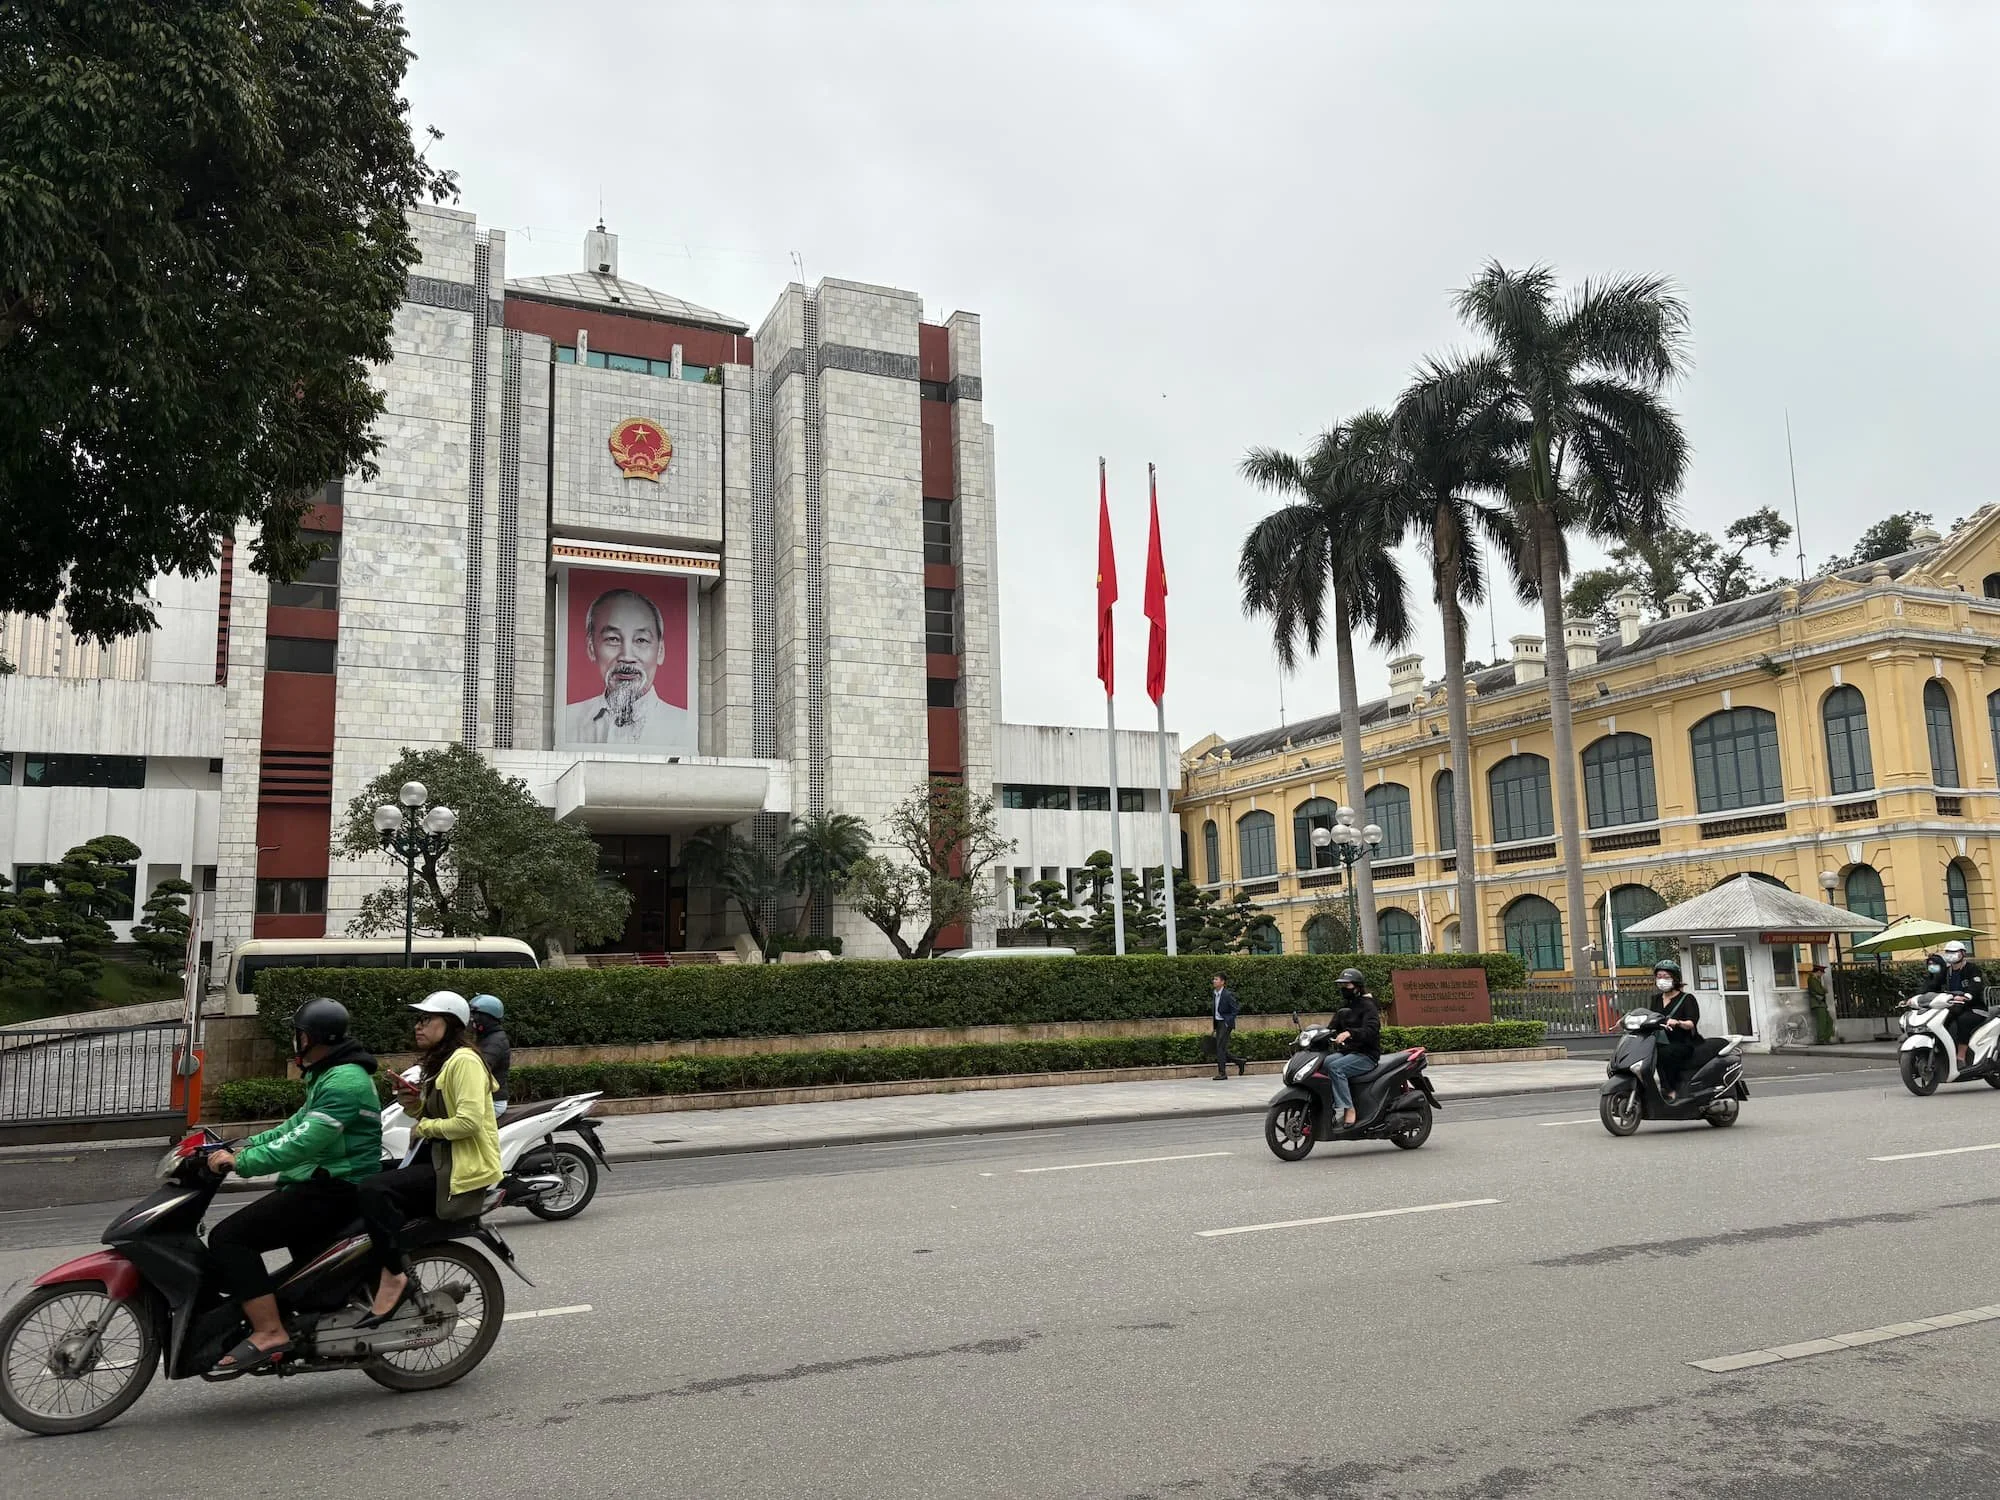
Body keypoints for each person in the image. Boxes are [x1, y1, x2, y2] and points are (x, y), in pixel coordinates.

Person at [205, 998, 381, 1371]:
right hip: (318, 1182)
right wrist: (242, 1144)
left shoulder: (345, 1082)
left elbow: (304, 1142)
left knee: (229, 1238)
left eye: (298, 1033)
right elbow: (293, 1127)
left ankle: (270, 1331)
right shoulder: (329, 1074)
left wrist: (243, 1163)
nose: (295, 1040)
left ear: (313, 1038)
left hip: (336, 1188)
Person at [355, 991, 502, 1327]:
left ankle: (395, 1274)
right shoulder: (444, 1061)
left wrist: (424, 1127)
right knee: (362, 1178)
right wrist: (413, 1105)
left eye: (426, 1020)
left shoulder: (464, 1061)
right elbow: (435, 1113)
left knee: (373, 1190)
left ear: (449, 1025)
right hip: (439, 1157)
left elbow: (469, 1122)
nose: (418, 1027)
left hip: (458, 1167)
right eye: (417, 1020)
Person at [562, 586, 690, 747]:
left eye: (641, 640)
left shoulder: (687, 728)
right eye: (613, 639)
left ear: (660, 651)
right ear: (591, 648)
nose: (627, 657)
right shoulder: (566, 721)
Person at [1323, 968, 1381, 1128]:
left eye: (1346, 985)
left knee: (1335, 1068)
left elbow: (1371, 1030)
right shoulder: (1346, 1007)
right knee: (1324, 1062)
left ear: (1357, 986)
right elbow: (1332, 1027)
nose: (1343, 989)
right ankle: (1329, 1107)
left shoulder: (1368, 1006)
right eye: (1341, 985)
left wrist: (1350, 1033)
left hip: (1366, 1055)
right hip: (1348, 1052)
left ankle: (1349, 1109)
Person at [1922, 941, 1987, 1065]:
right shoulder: (1946, 971)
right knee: (1937, 1020)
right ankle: (1940, 1049)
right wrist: (1918, 997)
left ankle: (1961, 1057)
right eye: (1948, 952)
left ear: (1963, 953)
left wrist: (1966, 996)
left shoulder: (1972, 969)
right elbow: (1932, 985)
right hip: (1953, 1006)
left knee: (1963, 1021)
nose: (1950, 954)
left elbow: (1976, 985)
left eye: (1954, 952)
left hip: (1974, 1008)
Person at [1652, 960, 1705, 1099]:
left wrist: (1678, 1022)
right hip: (1661, 1040)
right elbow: (1649, 1016)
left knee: (1664, 1053)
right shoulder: (1656, 999)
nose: (1662, 980)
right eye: (1659, 977)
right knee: (1649, 1051)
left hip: (1683, 1042)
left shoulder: (1687, 999)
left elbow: (1691, 1023)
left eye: (1666, 977)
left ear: (1675, 979)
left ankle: (1671, 1089)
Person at [470, 993, 511, 1117]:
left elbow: (479, 1068)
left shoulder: (495, 1041)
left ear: (487, 1017)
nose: (472, 1019)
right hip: (484, 1100)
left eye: (475, 1015)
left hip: (493, 1102)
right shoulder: (486, 1037)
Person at [1209, 974, 1245, 1079]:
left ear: (1222, 982)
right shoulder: (1215, 994)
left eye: (1216, 979)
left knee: (1220, 1047)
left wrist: (1227, 1021)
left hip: (1225, 1023)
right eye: (1214, 979)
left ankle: (1222, 1073)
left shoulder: (1227, 995)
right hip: (1218, 1023)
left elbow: (1235, 1009)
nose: (1214, 981)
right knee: (1220, 1048)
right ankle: (1239, 1062)